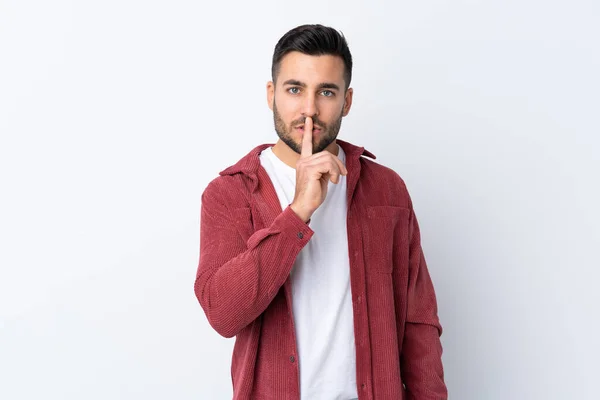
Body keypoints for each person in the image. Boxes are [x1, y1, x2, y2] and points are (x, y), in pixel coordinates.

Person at [194, 24, 447, 400]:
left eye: (326, 92)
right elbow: (223, 313)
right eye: (294, 89)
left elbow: (418, 321)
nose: (309, 109)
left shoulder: (387, 189)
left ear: (346, 101)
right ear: (271, 94)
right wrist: (297, 212)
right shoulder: (230, 193)